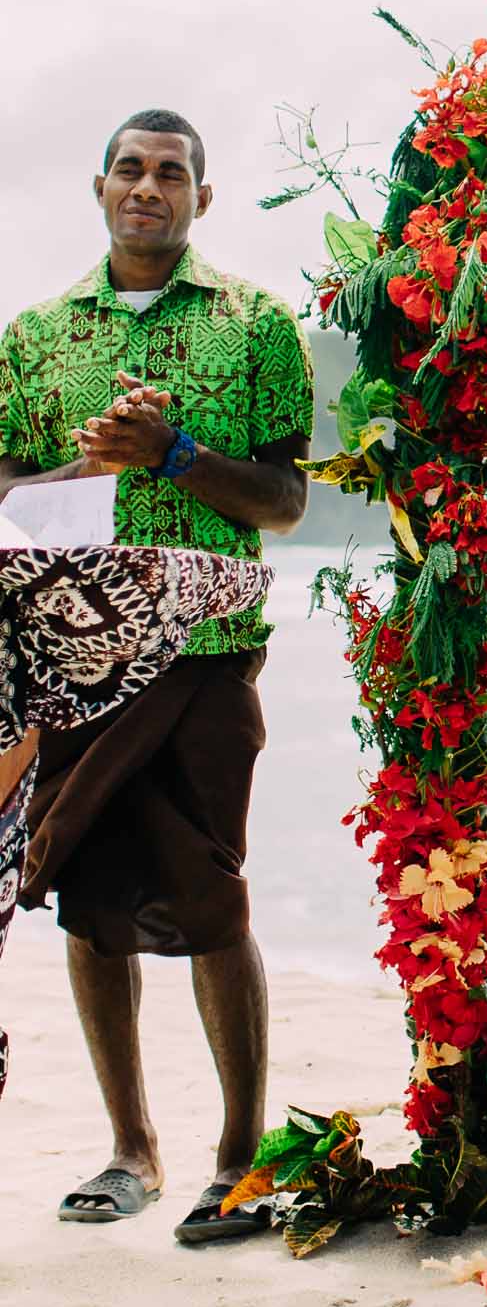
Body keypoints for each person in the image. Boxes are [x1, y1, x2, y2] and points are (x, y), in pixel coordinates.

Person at [0, 110, 312, 1242]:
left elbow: (284, 504)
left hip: (206, 657)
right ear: (99, 188)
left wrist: (175, 456)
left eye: (171, 172)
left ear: (201, 198)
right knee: (86, 902)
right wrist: (86, 461)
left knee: (213, 897)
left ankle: (237, 1156)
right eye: (130, 169)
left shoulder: (256, 326)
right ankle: (130, 1146)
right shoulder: (33, 336)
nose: (149, 187)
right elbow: (1, 497)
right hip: (72, 662)